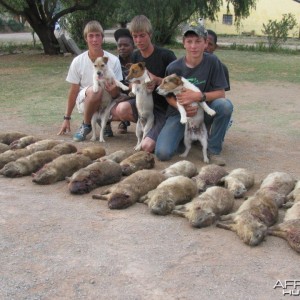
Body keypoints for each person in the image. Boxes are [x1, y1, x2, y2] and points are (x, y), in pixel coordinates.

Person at [155, 24, 233, 166]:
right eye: (189, 41)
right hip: (179, 113)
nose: (193, 46)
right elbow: (168, 96)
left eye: (198, 41)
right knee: (163, 153)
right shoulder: (173, 67)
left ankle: (213, 150)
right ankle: (187, 138)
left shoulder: (213, 62)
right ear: (184, 43)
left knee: (225, 106)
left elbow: (221, 93)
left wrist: (198, 97)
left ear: (205, 43)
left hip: (203, 109)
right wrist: (182, 108)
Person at [109, 15, 177, 153]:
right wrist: (132, 86)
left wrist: (157, 82)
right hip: (144, 106)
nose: (138, 40)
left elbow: (176, 85)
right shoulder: (135, 56)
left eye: (142, 36)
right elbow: (131, 85)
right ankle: (149, 129)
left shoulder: (166, 55)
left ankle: (164, 132)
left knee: (148, 147)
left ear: (150, 34)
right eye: (135, 36)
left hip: (163, 107)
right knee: (121, 109)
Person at [57, 20, 123, 142]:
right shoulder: (78, 61)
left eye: (98, 35)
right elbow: (74, 90)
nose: (94, 39)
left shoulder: (113, 60)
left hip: (107, 100)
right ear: (85, 38)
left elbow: (116, 92)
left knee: (123, 109)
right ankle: (86, 125)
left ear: (102, 38)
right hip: (86, 100)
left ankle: (104, 120)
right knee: (95, 90)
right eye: (91, 36)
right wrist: (67, 117)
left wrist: (114, 91)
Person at [104, 28, 135, 137]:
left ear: (133, 46)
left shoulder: (138, 62)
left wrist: (127, 97)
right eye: (119, 45)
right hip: (117, 92)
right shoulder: (113, 62)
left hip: (134, 94)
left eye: (126, 45)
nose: (122, 48)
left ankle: (125, 121)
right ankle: (106, 123)